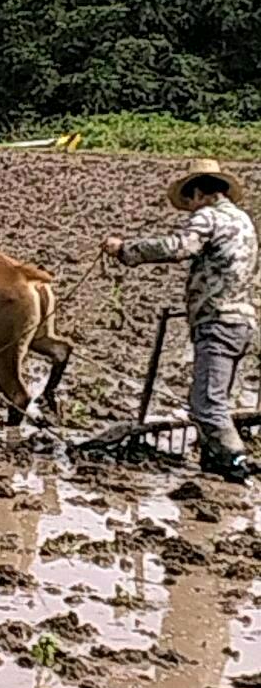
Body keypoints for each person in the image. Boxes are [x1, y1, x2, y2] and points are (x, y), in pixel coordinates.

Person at [103, 158, 258, 484]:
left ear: (198, 193)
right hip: (243, 323)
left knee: (206, 404)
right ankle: (212, 463)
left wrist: (125, 250)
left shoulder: (209, 215)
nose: (189, 209)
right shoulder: (243, 220)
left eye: (189, 201)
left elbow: (179, 247)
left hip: (218, 321)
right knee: (218, 396)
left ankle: (236, 464)